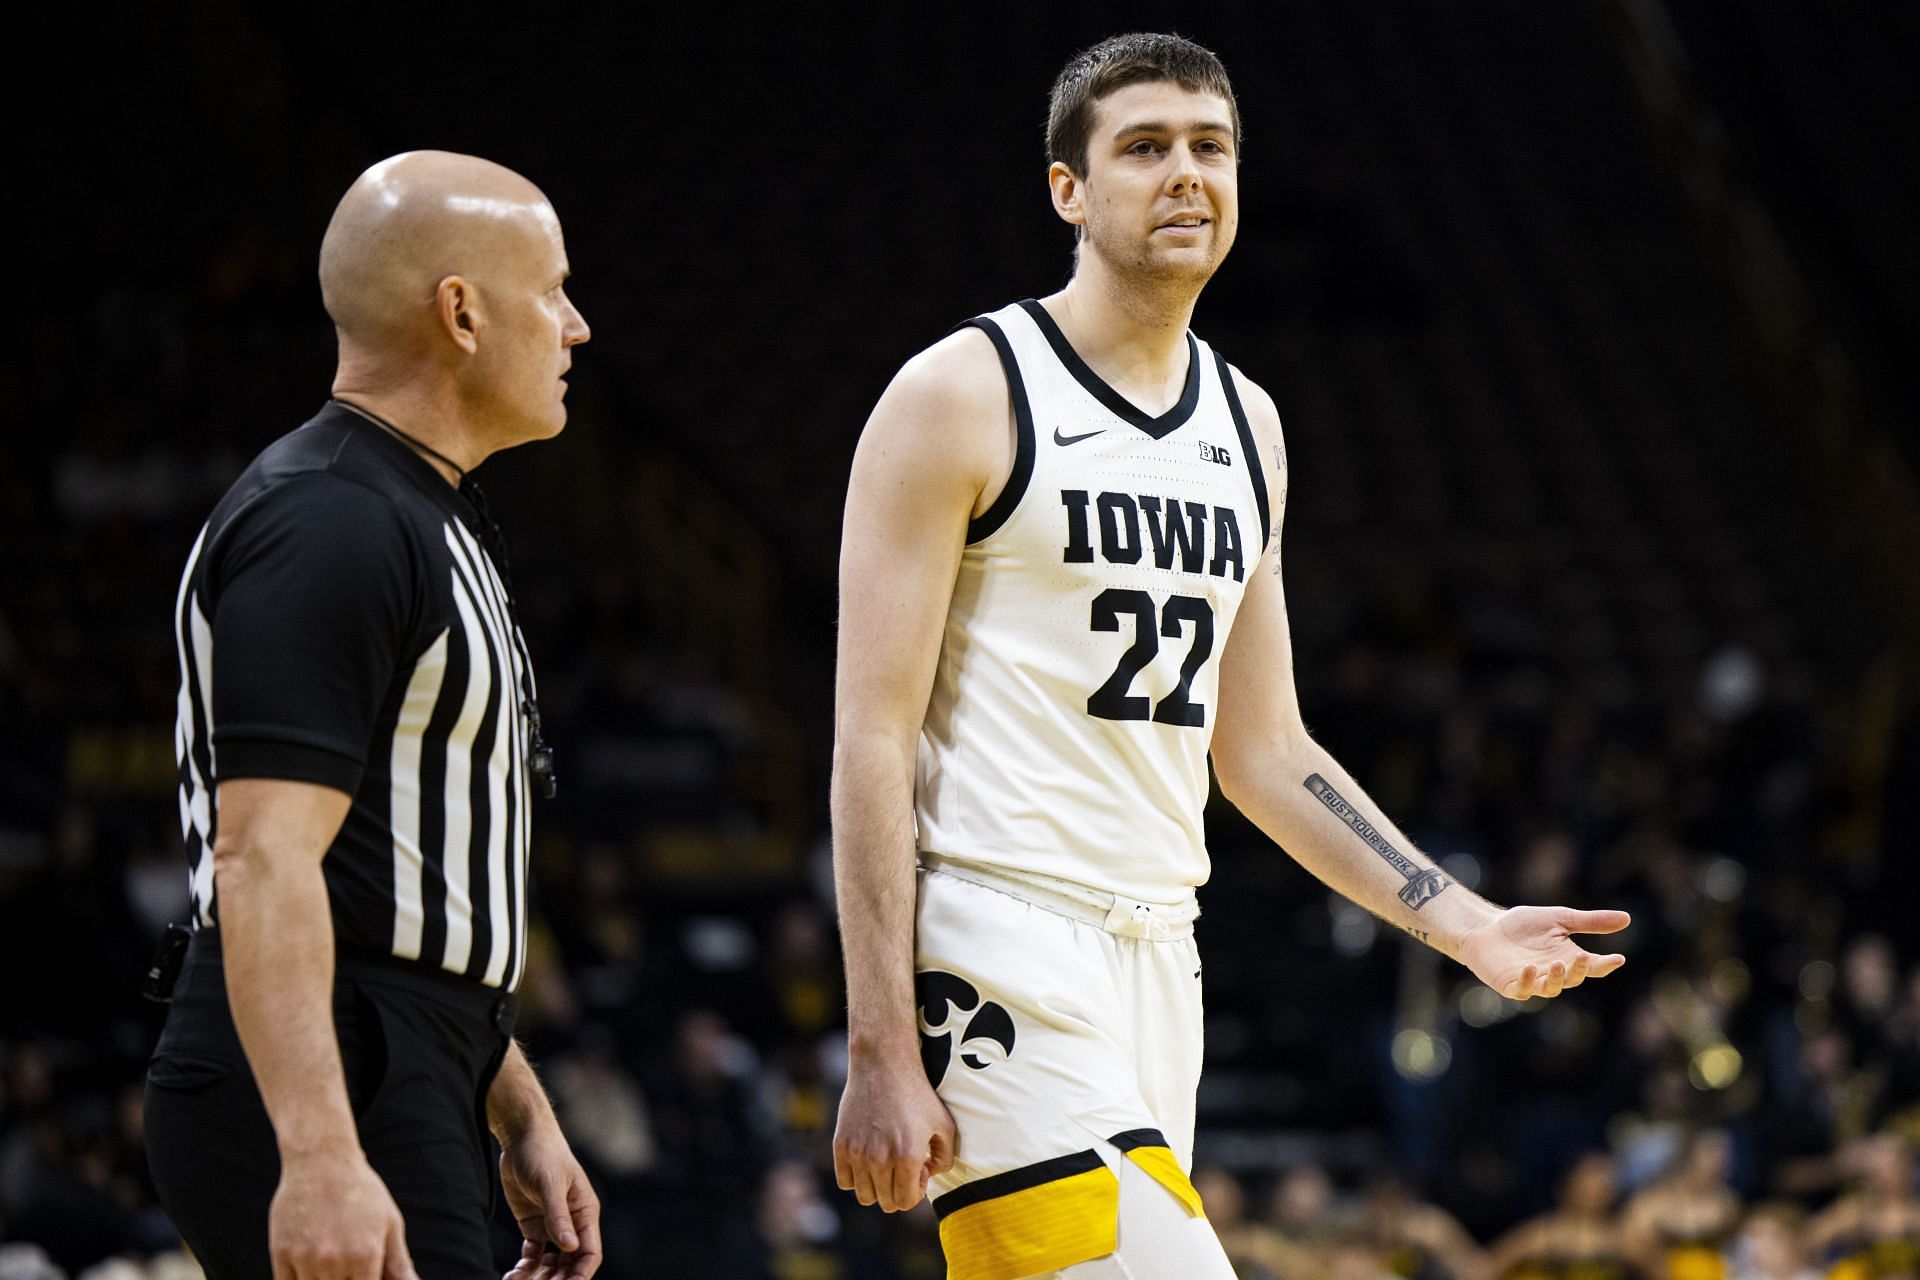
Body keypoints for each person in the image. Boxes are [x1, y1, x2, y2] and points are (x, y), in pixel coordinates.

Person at [830, 32, 1633, 1280]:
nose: (1186, 175)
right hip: (994, 936)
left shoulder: (1246, 423)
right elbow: (869, 737)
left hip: (1164, 951)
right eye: (1144, 148)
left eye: (1212, 148)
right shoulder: (960, 392)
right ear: (1070, 190)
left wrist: (1465, 923)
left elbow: (1263, 748)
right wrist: (877, 1035)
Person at [143, 151, 601, 1280]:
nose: (577, 326)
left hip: (400, 1053)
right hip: (322, 1069)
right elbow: (261, 861)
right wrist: (319, 1153)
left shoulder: (413, 505)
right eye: (552, 289)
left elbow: (392, 880)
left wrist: (515, 1102)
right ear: (460, 312)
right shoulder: (332, 518)